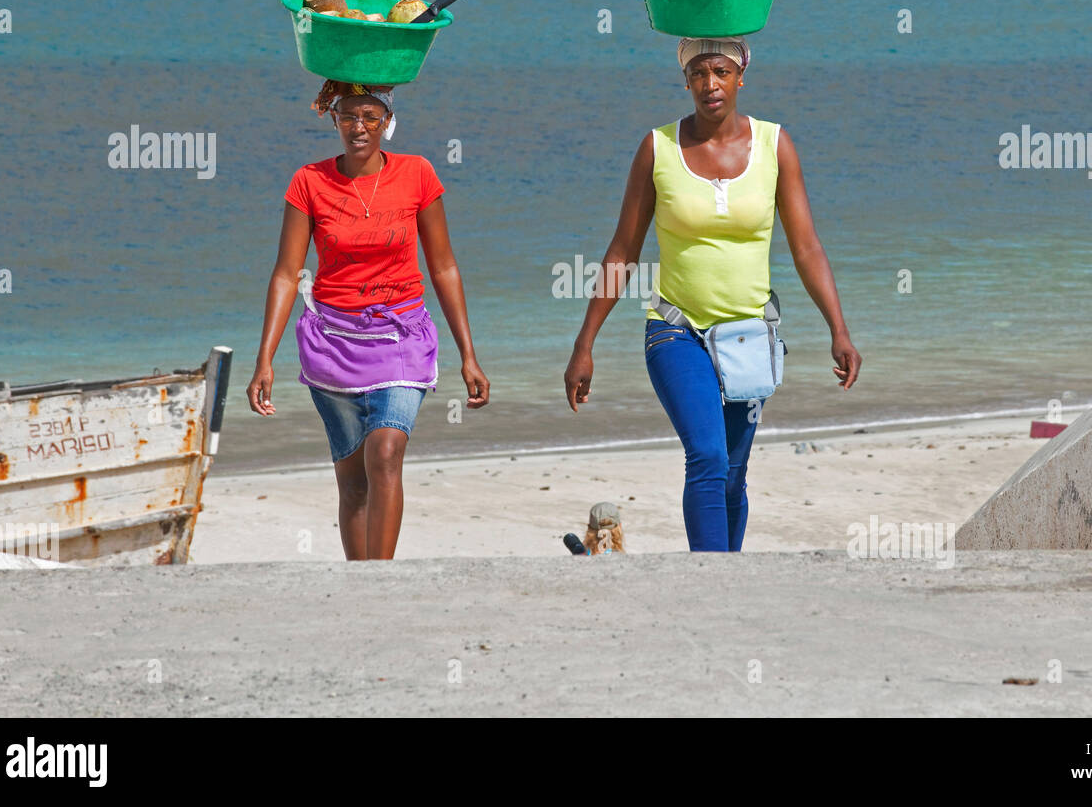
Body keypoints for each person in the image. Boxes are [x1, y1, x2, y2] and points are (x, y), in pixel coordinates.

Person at [563, 37, 860, 553]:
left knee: (734, 472)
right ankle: (709, 578)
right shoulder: (658, 148)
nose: (710, 84)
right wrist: (585, 342)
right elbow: (622, 250)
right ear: (685, 81)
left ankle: (730, 579)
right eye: (699, 73)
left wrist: (838, 329)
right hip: (676, 332)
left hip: (750, 337)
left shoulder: (774, 145)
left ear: (741, 76)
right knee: (707, 455)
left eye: (720, 72)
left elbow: (807, 247)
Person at [247, 80, 490, 560]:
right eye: (349, 117)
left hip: (401, 338)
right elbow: (286, 274)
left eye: (371, 117)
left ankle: (384, 581)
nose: (359, 128)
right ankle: (358, 585)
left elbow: (443, 266)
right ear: (334, 119)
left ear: (387, 122)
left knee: (385, 455)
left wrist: (469, 354)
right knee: (353, 480)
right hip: (332, 346)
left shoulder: (417, 174)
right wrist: (264, 360)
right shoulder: (309, 182)